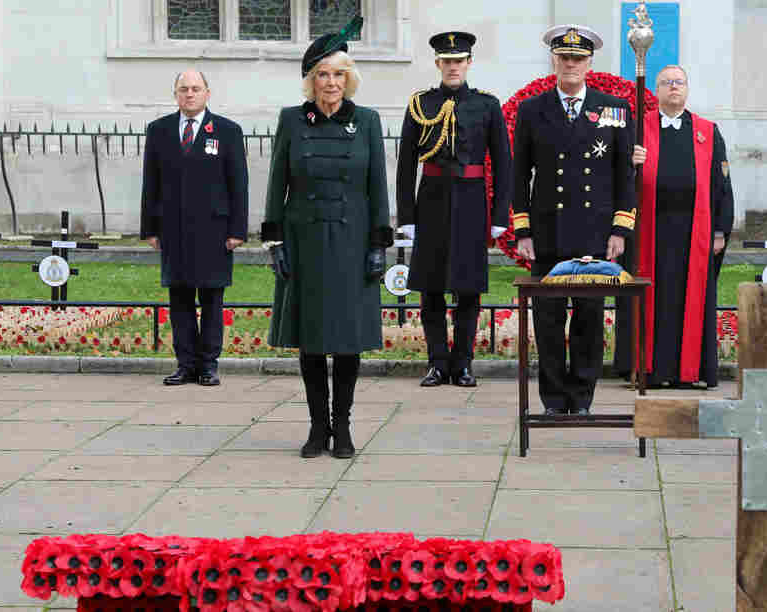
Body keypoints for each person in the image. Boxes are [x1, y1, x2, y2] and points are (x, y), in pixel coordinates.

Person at [262, 16, 394, 459]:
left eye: (338, 74)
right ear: (311, 81)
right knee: (313, 339)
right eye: (322, 74)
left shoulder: (368, 122)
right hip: (304, 241)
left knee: (347, 338)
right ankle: (318, 428)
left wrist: (380, 245)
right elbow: (277, 182)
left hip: (354, 243)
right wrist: (274, 241)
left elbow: (378, 186)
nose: (331, 83)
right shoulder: (291, 121)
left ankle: (344, 426)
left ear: (349, 79)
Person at [510, 25, 635, 415]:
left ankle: (581, 397)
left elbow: (622, 175)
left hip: (594, 232)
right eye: (564, 57)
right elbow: (519, 175)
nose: (570, 64)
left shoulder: (613, 108)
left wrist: (619, 229)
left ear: (589, 63)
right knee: (547, 321)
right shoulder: (532, 110)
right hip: (548, 231)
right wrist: (523, 229)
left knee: (589, 319)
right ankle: (552, 399)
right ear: (554, 61)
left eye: (578, 58)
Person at [395, 30, 512, 388]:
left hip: (472, 200)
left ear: (469, 63)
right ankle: (436, 363)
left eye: (459, 61)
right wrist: (407, 217)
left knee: (468, 288)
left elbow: (503, 163)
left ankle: (462, 363)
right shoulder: (421, 104)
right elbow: (406, 165)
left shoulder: (486, 105)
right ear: (438, 64)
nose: (453, 67)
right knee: (430, 288)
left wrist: (499, 216)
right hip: (431, 198)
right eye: (447, 62)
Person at [140, 69, 248, 387]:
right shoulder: (159, 130)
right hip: (173, 230)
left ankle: (208, 366)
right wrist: (150, 228)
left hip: (214, 231)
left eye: (196, 88)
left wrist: (237, 230)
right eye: (183, 89)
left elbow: (238, 184)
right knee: (180, 300)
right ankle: (185, 364)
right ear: (175, 94)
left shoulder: (227, 131)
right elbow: (151, 182)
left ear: (207, 93)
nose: (190, 94)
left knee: (212, 300)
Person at [630, 66, 734, 389]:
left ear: (687, 89)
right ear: (657, 91)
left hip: (695, 233)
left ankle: (693, 370)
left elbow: (722, 184)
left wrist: (719, 230)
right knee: (654, 301)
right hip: (652, 232)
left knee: (692, 300)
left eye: (679, 82)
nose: (673, 88)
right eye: (666, 83)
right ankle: (652, 370)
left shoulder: (706, 130)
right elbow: (622, 179)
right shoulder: (639, 130)